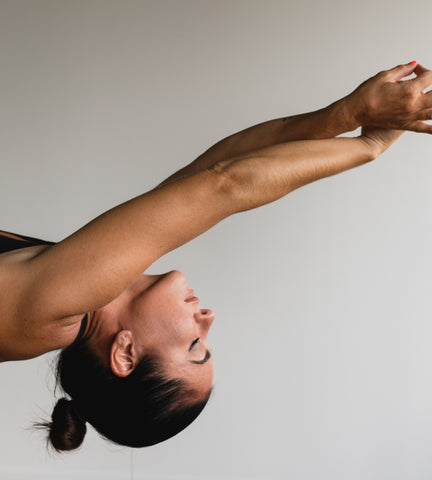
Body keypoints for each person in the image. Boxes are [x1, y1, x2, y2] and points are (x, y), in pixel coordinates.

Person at [1, 61, 432, 452]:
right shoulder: (65, 297)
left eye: (195, 345)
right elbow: (222, 165)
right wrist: (348, 114)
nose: (207, 319)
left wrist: (368, 145)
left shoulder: (47, 317)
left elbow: (224, 185)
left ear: (125, 355)